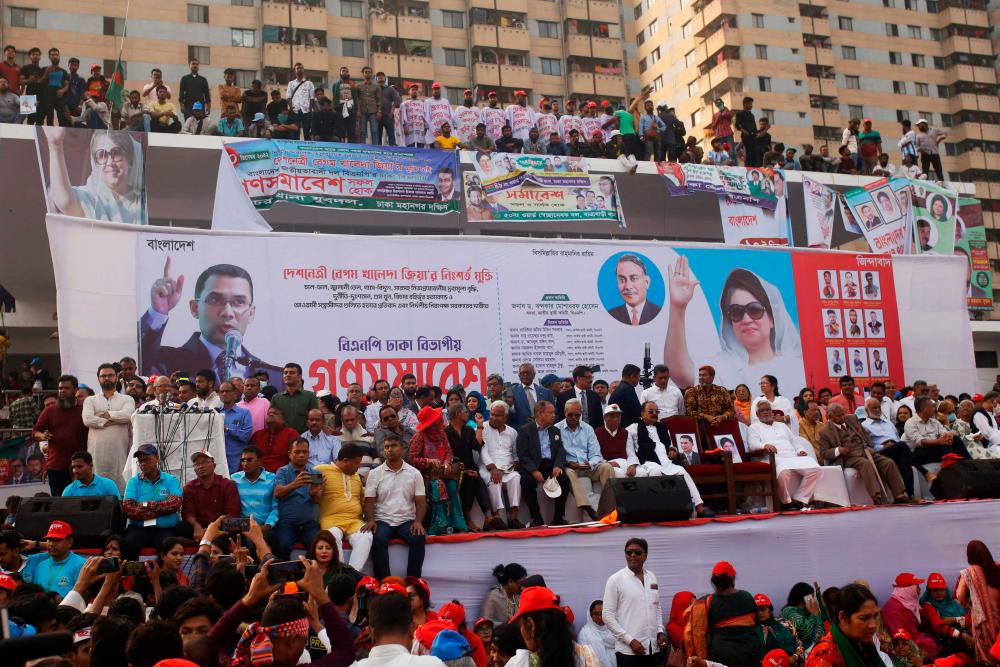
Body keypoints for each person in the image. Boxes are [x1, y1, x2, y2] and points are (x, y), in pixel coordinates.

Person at [666, 260, 803, 393]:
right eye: (737, 312)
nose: (746, 319)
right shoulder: (722, 366)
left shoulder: (796, 368)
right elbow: (680, 373)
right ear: (730, 322)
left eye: (754, 309)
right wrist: (678, 307)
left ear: (772, 318)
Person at [139, 260, 283, 383]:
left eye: (239, 302)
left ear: (251, 313)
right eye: (215, 300)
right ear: (195, 308)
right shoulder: (165, 362)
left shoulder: (275, 377)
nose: (227, 312)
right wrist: (159, 312)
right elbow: (141, 365)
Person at [625, 401, 714, 517]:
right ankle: (661, 511)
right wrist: (632, 464)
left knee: (682, 471)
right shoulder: (632, 428)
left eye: (656, 412)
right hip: (648, 462)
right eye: (650, 412)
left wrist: (672, 449)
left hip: (666, 461)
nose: (654, 414)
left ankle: (699, 507)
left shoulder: (662, 427)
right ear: (642, 413)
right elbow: (629, 449)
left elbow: (671, 445)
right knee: (655, 471)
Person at [363, 433, 427, 580]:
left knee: (418, 538)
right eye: (386, 447)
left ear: (402, 448)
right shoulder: (375, 473)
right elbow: (369, 501)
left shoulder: (414, 473)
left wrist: (418, 522)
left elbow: (421, 502)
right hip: (383, 520)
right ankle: (384, 582)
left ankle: (413, 582)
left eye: (393, 446)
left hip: (407, 520)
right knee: (377, 539)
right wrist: (371, 520)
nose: (389, 450)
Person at [819, 404, 909, 504]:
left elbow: (865, 433)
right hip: (849, 456)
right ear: (830, 417)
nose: (843, 417)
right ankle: (877, 496)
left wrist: (868, 445)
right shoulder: (825, 431)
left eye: (843, 414)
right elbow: (823, 453)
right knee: (865, 464)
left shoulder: (852, 418)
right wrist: (838, 450)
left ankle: (899, 495)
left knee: (888, 462)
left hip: (865, 450)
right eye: (839, 416)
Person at [601, 537, 668, 667]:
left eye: (637, 552)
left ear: (645, 556)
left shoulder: (652, 577)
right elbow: (607, 615)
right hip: (628, 652)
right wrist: (630, 640)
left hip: (652, 649)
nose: (632, 555)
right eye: (628, 552)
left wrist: (659, 631)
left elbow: (656, 607)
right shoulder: (615, 580)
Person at [748, 401, 822, 510]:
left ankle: (800, 498)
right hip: (773, 457)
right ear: (757, 414)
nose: (766, 412)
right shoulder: (754, 427)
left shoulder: (781, 425)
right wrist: (765, 445)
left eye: (768, 409)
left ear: (772, 411)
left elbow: (794, 440)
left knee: (815, 469)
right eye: (762, 411)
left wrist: (800, 450)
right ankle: (786, 502)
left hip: (792, 456)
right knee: (783, 473)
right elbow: (752, 445)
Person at [409, 405, 469, 536]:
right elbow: (412, 459)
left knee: (452, 486)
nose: (441, 420)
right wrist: (428, 461)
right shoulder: (419, 437)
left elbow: (449, 452)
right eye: (438, 420)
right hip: (426, 475)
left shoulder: (443, 435)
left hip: (444, 472)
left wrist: (447, 463)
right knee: (438, 486)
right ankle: (439, 525)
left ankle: (457, 523)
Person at [689, 562, 761, 667]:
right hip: (749, 651)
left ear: (714, 581)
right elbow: (756, 623)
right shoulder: (747, 596)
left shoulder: (707, 601)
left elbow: (700, 629)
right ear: (732, 578)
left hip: (722, 654)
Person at [508, 585, 599, 667]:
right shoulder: (586, 656)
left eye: (521, 625)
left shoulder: (519, 663)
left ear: (531, 624)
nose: (521, 630)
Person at [121, 443, 183, 560]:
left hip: (165, 528)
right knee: (128, 543)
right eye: (140, 461)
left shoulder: (170, 480)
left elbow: (175, 503)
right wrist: (162, 511)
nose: (143, 464)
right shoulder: (134, 482)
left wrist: (146, 505)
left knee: (167, 547)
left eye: (147, 460)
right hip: (139, 528)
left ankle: (164, 577)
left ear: (157, 458)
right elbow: (129, 508)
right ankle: (130, 577)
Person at [315, 444, 372, 570]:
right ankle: (338, 574)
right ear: (345, 460)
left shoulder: (356, 477)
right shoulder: (320, 470)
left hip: (354, 522)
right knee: (332, 536)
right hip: (331, 520)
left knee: (366, 535)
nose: (358, 467)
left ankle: (352, 574)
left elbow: (363, 501)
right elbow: (311, 495)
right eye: (357, 463)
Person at [516, 400, 573, 527]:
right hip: (533, 465)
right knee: (526, 481)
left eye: (554, 412)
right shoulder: (525, 430)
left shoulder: (555, 430)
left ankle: (558, 517)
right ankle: (536, 518)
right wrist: (533, 471)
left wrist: (558, 465)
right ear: (540, 414)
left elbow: (560, 451)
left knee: (564, 479)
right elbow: (523, 455)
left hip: (550, 465)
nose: (554, 415)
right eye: (550, 412)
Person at [81, 362, 135, 491]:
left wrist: (106, 414)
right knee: (98, 489)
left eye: (110, 375)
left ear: (116, 377)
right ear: (98, 379)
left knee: (120, 489)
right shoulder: (90, 400)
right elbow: (87, 420)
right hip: (96, 452)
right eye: (103, 376)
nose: (107, 378)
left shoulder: (127, 399)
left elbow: (128, 415)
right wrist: (113, 420)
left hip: (120, 453)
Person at [33, 374, 88, 496]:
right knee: (59, 505)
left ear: (75, 390)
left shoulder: (85, 408)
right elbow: (35, 431)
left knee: (82, 504)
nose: (62, 391)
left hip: (81, 466)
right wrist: (42, 436)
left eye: (66, 388)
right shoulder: (50, 410)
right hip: (57, 467)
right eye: (60, 388)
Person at [558, 398, 613, 521]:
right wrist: (568, 463)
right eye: (570, 414)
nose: (573, 417)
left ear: (581, 414)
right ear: (564, 413)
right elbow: (556, 455)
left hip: (588, 466)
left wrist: (590, 464)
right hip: (571, 467)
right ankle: (588, 508)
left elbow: (596, 453)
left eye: (577, 415)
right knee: (568, 473)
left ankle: (611, 506)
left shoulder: (588, 428)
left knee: (607, 467)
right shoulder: (557, 429)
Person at [444, 403, 495, 532]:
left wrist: (479, 426)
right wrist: (463, 471)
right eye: (465, 411)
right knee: (469, 478)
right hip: (455, 468)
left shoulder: (468, 430)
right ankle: (468, 518)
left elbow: (476, 446)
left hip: (470, 465)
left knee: (477, 476)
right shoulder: (446, 432)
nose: (467, 413)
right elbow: (448, 455)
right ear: (457, 414)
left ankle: (488, 516)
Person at [805, 583, 882, 667]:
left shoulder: (865, 644)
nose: (873, 625)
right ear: (843, 618)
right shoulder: (824, 655)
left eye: (875, 616)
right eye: (863, 618)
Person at [273, 437, 322, 559]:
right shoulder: (282, 471)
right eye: (297, 452)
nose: (301, 455)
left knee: (317, 547)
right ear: (290, 454)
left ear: (308, 454)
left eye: (304, 452)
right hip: (288, 523)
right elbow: (277, 493)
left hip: (310, 524)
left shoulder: (315, 473)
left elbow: (317, 500)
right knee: (282, 546)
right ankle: (283, 575)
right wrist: (295, 484)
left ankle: (312, 575)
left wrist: (314, 493)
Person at [477, 400, 523, 529]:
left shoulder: (513, 432)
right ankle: (496, 517)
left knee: (516, 478)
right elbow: (482, 449)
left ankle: (513, 518)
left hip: (507, 468)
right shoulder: (483, 427)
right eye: (492, 414)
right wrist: (492, 467)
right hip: (488, 466)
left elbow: (515, 453)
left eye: (498, 415)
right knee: (494, 480)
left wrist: (516, 461)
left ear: (506, 417)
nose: (494, 418)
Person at [956, 539, 1000, 663]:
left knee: (985, 653)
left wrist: (970, 604)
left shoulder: (969, 573)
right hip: (998, 618)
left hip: (982, 622)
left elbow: (960, 597)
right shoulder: (997, 568)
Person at [182, 450, 240, 542]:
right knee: (180, 527)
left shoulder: (228, 484)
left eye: (205, 462)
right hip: (200, 526)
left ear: (214, 465)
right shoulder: (189, 487)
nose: (201, 466)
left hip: (222, 525)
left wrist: (212, 529)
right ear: (194, 468)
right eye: (197, 464)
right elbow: (188, 513)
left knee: (238, 524)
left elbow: (233, 512)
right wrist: (196, 526)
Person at [21, 520, 88, 597]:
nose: (52, 544)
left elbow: (83, 596)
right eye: (49, 540)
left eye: (57, 540)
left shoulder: (81, 565)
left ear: (70, 542)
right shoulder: (41, 565)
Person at [881, 573, 939, 659]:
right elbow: (900, 638)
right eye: (917, 587)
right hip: (909, 646)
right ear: (908, 590)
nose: (919, 590)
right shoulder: (892, 609)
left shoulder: (909, 603)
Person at [903, 397, 970, 471]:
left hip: (936, 449)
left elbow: (944, 432)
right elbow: (920, 441)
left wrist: (948, 434)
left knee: (954, 438)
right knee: (941, 443)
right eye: (932, 406)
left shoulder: (934, 422)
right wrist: (939, 441)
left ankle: (969, 461)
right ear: (924, 408)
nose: (935, 409)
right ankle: (949, 460)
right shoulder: (910, 423)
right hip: (918, 452)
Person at [920, 572, 971, 652]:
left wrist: (953, 619)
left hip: (961, 636)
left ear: (946, 590)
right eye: (935, 590)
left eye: (941, 590)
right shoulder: (928, 606)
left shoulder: (953, 603)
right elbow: (939, 627)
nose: (939, 593)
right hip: (944, 643)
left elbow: (968, 622)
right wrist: (962, 634)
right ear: (929, 591)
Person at [231, 445, 279, 529]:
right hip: (241, 526)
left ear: (260, 461)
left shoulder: (272, 479)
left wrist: (267, 526)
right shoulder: (234, 478)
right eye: (242, 460)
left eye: (249, 460)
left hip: (264, 526)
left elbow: (275, 507)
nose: (245, 464)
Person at [608, 254, 661, 326]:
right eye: (622, 280)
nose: (628, 286)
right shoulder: (610, 315)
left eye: (634, 278)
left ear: (646, 282)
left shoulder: (660, 313)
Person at [684, 365, 736, 431]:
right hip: (700, 430)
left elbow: (731, 409)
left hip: (720, 428)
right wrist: (706, 417)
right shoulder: (691, 392)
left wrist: (722, 417)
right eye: (700, 375)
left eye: (704, 375)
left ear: (712, 377)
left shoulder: (722, 391)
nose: (701, 377)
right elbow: (689, 412)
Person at [251, 406, 301, 472]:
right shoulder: (258, 434)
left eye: (275, 413)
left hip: (283, 474)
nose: (271, 415)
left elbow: (297, 457)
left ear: (283, 420)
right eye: (268, 414)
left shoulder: (291, 433)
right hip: (258, 474)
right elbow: (249, 456)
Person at [755, 594, 802, 662]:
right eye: (757, 611)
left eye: (763, 609)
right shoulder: (752, 630)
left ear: (770, 610)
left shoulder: (785, 623)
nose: (760, 613)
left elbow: (798, 644)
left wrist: (794, 657)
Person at [781, 583, 824, 653]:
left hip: (814, 649)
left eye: (813, 597)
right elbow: (805, 633)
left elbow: (821, 632)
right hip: (798, 653)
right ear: (802, 597)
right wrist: (814, 615)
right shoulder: (789, 612)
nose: (813, 600)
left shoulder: (809, 611)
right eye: (811, 597)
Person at [509, 363, 555, 428]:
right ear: (519, 376)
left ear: (534, 375)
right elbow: (508, 416)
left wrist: (541, 420)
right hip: (521, 431)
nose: (525, 375)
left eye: (528, 373)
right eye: (523, 373)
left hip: (543, 429)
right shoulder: (512, 391)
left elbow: (555, 413)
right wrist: (510, 405)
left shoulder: (546, 392)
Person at [579, 599, 616, 667]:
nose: (600, 617)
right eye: (596, 614)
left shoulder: (615, 630)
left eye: (602, 613)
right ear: (590, 615)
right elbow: (583, 659)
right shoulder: (585, 633)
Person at [608, 365, 644, 430]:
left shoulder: (620, 389)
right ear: (632, 376)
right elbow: (638, 411)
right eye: (638, 377)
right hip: (627, 429)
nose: (639, 380)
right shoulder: (628, 389)